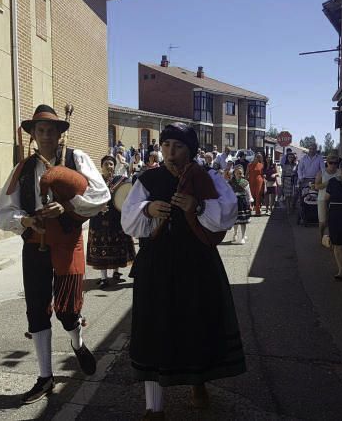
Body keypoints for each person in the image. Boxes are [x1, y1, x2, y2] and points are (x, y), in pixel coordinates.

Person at [121, 123, 245, 419]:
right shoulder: (148, 179)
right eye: (165, 146)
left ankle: (197, 382)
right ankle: (154, 406)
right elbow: (128, 219)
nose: (170, 153)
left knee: (196, 324)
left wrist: (198, 206)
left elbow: (227, 214)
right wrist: (147, 210)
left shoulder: (208, 176)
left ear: (190, 150)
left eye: (177, 147)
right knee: (155, 329)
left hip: (196, 263)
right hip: (158, 264)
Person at [0, 104, 109, 404]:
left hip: (68, 243)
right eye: (40, 130)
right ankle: (44, 377)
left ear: (60, 134)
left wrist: (68, 206)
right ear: (32, 135)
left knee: (68, 311)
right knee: (36, 310)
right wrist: (25, 220)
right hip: (35, 244)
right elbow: (4, 210)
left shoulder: (76, 158)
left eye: (51, 130)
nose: (45, 135)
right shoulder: (23, 168)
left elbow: (101, 195)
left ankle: (77, 342)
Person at [88, 155, 137, 288]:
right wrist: (98, 206)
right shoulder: (95, 181)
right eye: (106, 164)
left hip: (116, 219)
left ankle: (116, 272)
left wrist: (128, 166)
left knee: (118, 246)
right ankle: (103, 278)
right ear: (101, 166)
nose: (109, 167)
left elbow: (129, 189)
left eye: (111, 164)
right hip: (99, 219)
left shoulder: (121, 180)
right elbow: (88, 197)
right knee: (100, 249)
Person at [314, 155, 341, 241]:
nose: (333, 165)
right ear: (327, 163)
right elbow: (316, 186)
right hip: (322, 199)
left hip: (336, 200)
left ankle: (332, 238)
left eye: (335, 163)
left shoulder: (340, 172)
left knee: (334, 220)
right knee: (323, 221)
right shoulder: (321, 172)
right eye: (331, 163)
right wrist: (328, 183)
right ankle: (321, 237)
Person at [230, 165, 252, 244]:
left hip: (242, 202)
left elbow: (248, 193)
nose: (239, 174)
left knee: (243, 221)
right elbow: (228, 193)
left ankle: (243, 237)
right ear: (234, 173)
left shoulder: (245, 182)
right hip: (234, 202)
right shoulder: (230, 182)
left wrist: (250, 201)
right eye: (238, 173)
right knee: (235, 220)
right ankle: (235, 233)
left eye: (240, 173)